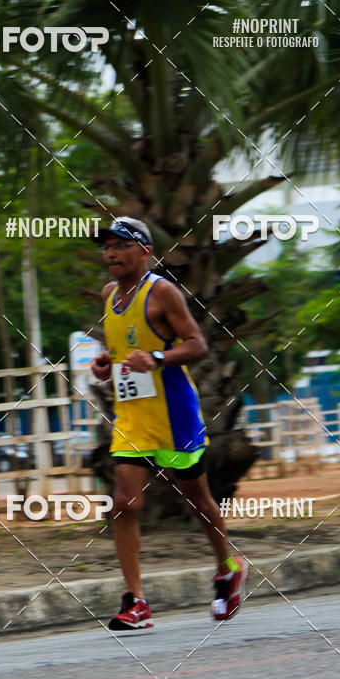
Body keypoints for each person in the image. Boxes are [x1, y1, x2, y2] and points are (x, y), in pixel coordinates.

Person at [90, 217, 247, 631]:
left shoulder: (161, 292)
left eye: (120, 245)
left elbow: (197, 344)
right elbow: (123, 348)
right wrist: (107, 364)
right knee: (124, 502)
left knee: (197, 500)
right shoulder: (110, 295)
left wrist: (158, 359)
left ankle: (227, 567)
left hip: (174, 415)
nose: (110, 253)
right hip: (132, 416)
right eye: (106, 246)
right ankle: (136, 601)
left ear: (144, 251)